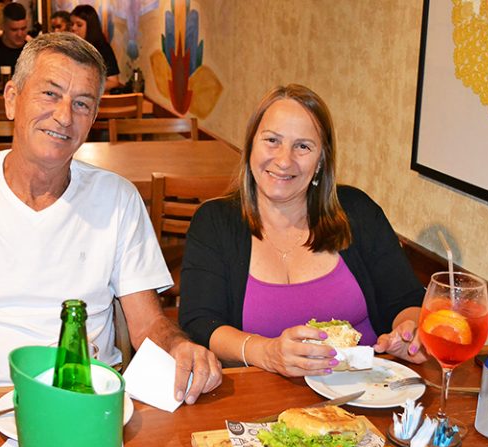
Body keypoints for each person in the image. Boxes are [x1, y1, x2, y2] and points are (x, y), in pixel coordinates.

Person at [0, 33, 222, 415]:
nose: (64, 116)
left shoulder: (118, 198)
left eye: (82, 103)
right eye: (50, 94)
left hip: (86, 400)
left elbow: (148, 324)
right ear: (12, 99)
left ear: (93, 119)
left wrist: (179, 346)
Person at [179, 84, 427, 378]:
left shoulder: (358, 213)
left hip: (365, 391)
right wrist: (266, 353)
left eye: (303, 147)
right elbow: (201, 321)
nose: (284, 160)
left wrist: (409, 333)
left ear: (321, 161)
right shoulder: (214, 222)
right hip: (260, 395)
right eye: (272, 140)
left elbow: (406, 302)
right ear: (251, 146)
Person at [70, 4, 120, 92]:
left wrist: (87, 89)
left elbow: (113, 82)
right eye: (72, 24)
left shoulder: (102, 48)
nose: (73, 28)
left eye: (79, 25)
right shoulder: (70, 46)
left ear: (90, 27)